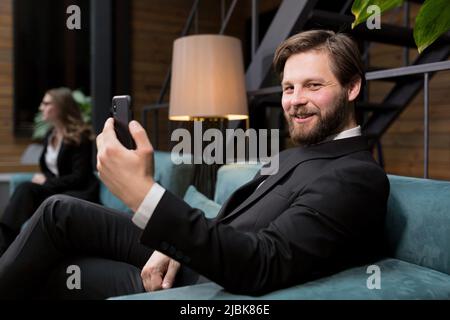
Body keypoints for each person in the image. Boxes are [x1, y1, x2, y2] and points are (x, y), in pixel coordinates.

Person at [0, 30, 389, 299]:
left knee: (58, 272)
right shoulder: (293, 153)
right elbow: (232, 220)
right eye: (289, 88)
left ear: (352, 87)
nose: (295, 100)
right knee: (58, 211)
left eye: (314, 86)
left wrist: (145, 196)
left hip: (204, 281)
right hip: (193, 254)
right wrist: (170, 245)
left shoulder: (356, 176)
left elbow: (261, 262)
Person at [0, 87, 99, 256]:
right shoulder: (50, 135)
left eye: (46, 103)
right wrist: (46, 179)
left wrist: (46, 182)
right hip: (57, 189)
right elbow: (52, 170)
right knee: (26, 189)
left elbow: (80, 177)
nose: (41, 108)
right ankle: (5, 247)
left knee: (34, 192)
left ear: (60, 107)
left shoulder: (80, 136)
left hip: (78, 191)